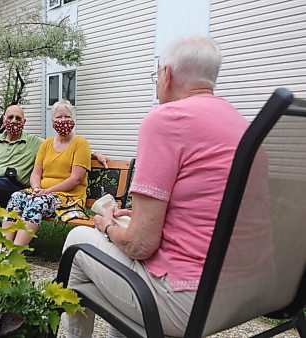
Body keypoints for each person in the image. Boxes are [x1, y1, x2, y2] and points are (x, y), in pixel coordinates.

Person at [62, 36, 251, 338]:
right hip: (241, 295)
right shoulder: (242, 125)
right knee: (122, 239)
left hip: (186, 301)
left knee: (77, 239)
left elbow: (140, 245)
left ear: (167, 75)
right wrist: (129, 221)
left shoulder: (166, 119)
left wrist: (107, 225)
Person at [0, 104, 107, 236]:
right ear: (4, 119)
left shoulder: (34, 142)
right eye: (10, 117)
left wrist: (93, 154)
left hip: (10, 186)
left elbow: (64, 147)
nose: (14, 121)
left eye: (18, 118)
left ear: (24, 122)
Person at [1, 100, 91, 246]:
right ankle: (3, 248)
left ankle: (15, 252)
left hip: (69, 197)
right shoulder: (46, 144)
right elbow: (36, 173)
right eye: (58, 117)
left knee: (37, 202)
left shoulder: (81, 144)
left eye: (67, 117)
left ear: (73, 119)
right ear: (52, 121)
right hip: (44, 192)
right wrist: (36, 188)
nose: (63, 121)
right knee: (16, 197)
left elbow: (75, 179)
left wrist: (47, 191)